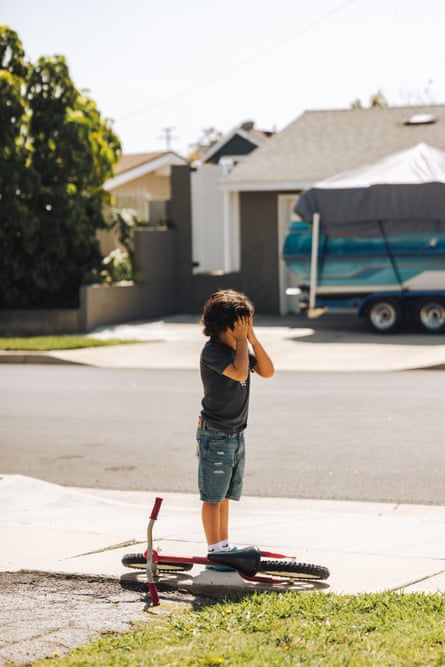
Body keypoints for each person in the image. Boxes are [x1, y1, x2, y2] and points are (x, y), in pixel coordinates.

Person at [196, 289, 274, 566]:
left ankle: (224, 544)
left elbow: (267, 371)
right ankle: (215, 549)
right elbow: (240, 372)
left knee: (225, 494)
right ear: (227, 326)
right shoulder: (214, 352)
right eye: (245, 324)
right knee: (213, 496)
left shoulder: (238, 348)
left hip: (235, 434)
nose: (249, 329)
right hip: (216, 435)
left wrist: (251, 339)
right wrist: (243, 341)